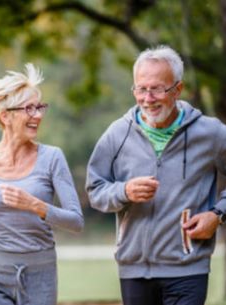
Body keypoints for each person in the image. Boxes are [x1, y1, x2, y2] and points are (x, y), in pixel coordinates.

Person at [85, 45, 226, 305]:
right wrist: (123, 191)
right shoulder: (118, 134)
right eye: (141, 89)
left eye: (157, 89)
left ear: (177, 89)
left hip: (188, 268)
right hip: (133, 270)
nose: (148, 98)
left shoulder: (211, 133)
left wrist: (218, 215)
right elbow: (95, 189)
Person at [0, 63, 84, 305]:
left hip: (39, 275)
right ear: (5, 116)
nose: (37, 115)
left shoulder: (52, 158)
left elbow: (76, 221)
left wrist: (36, 205)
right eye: (29, 108)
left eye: (39, 107)